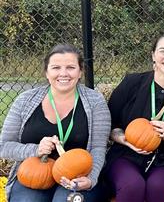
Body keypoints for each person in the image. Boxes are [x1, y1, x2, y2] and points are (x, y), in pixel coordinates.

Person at [0, 44, 110, 202]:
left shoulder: (95, 102)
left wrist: (90, 179)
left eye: (71, 67)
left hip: (78, 176)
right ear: (47, 72)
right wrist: (36, 149)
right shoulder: (25, 100)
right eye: (56, 67)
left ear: (80, 72)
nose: (63, 73)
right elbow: (4, 146)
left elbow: (98, 148)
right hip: (36, 174)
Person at [104, 33, 164, 202]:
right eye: (163, 51)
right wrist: (125, 139)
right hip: (126, 155)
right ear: (153, 55)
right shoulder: (131, 83)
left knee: (159, 186)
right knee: (132, 185)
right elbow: (110, 126)